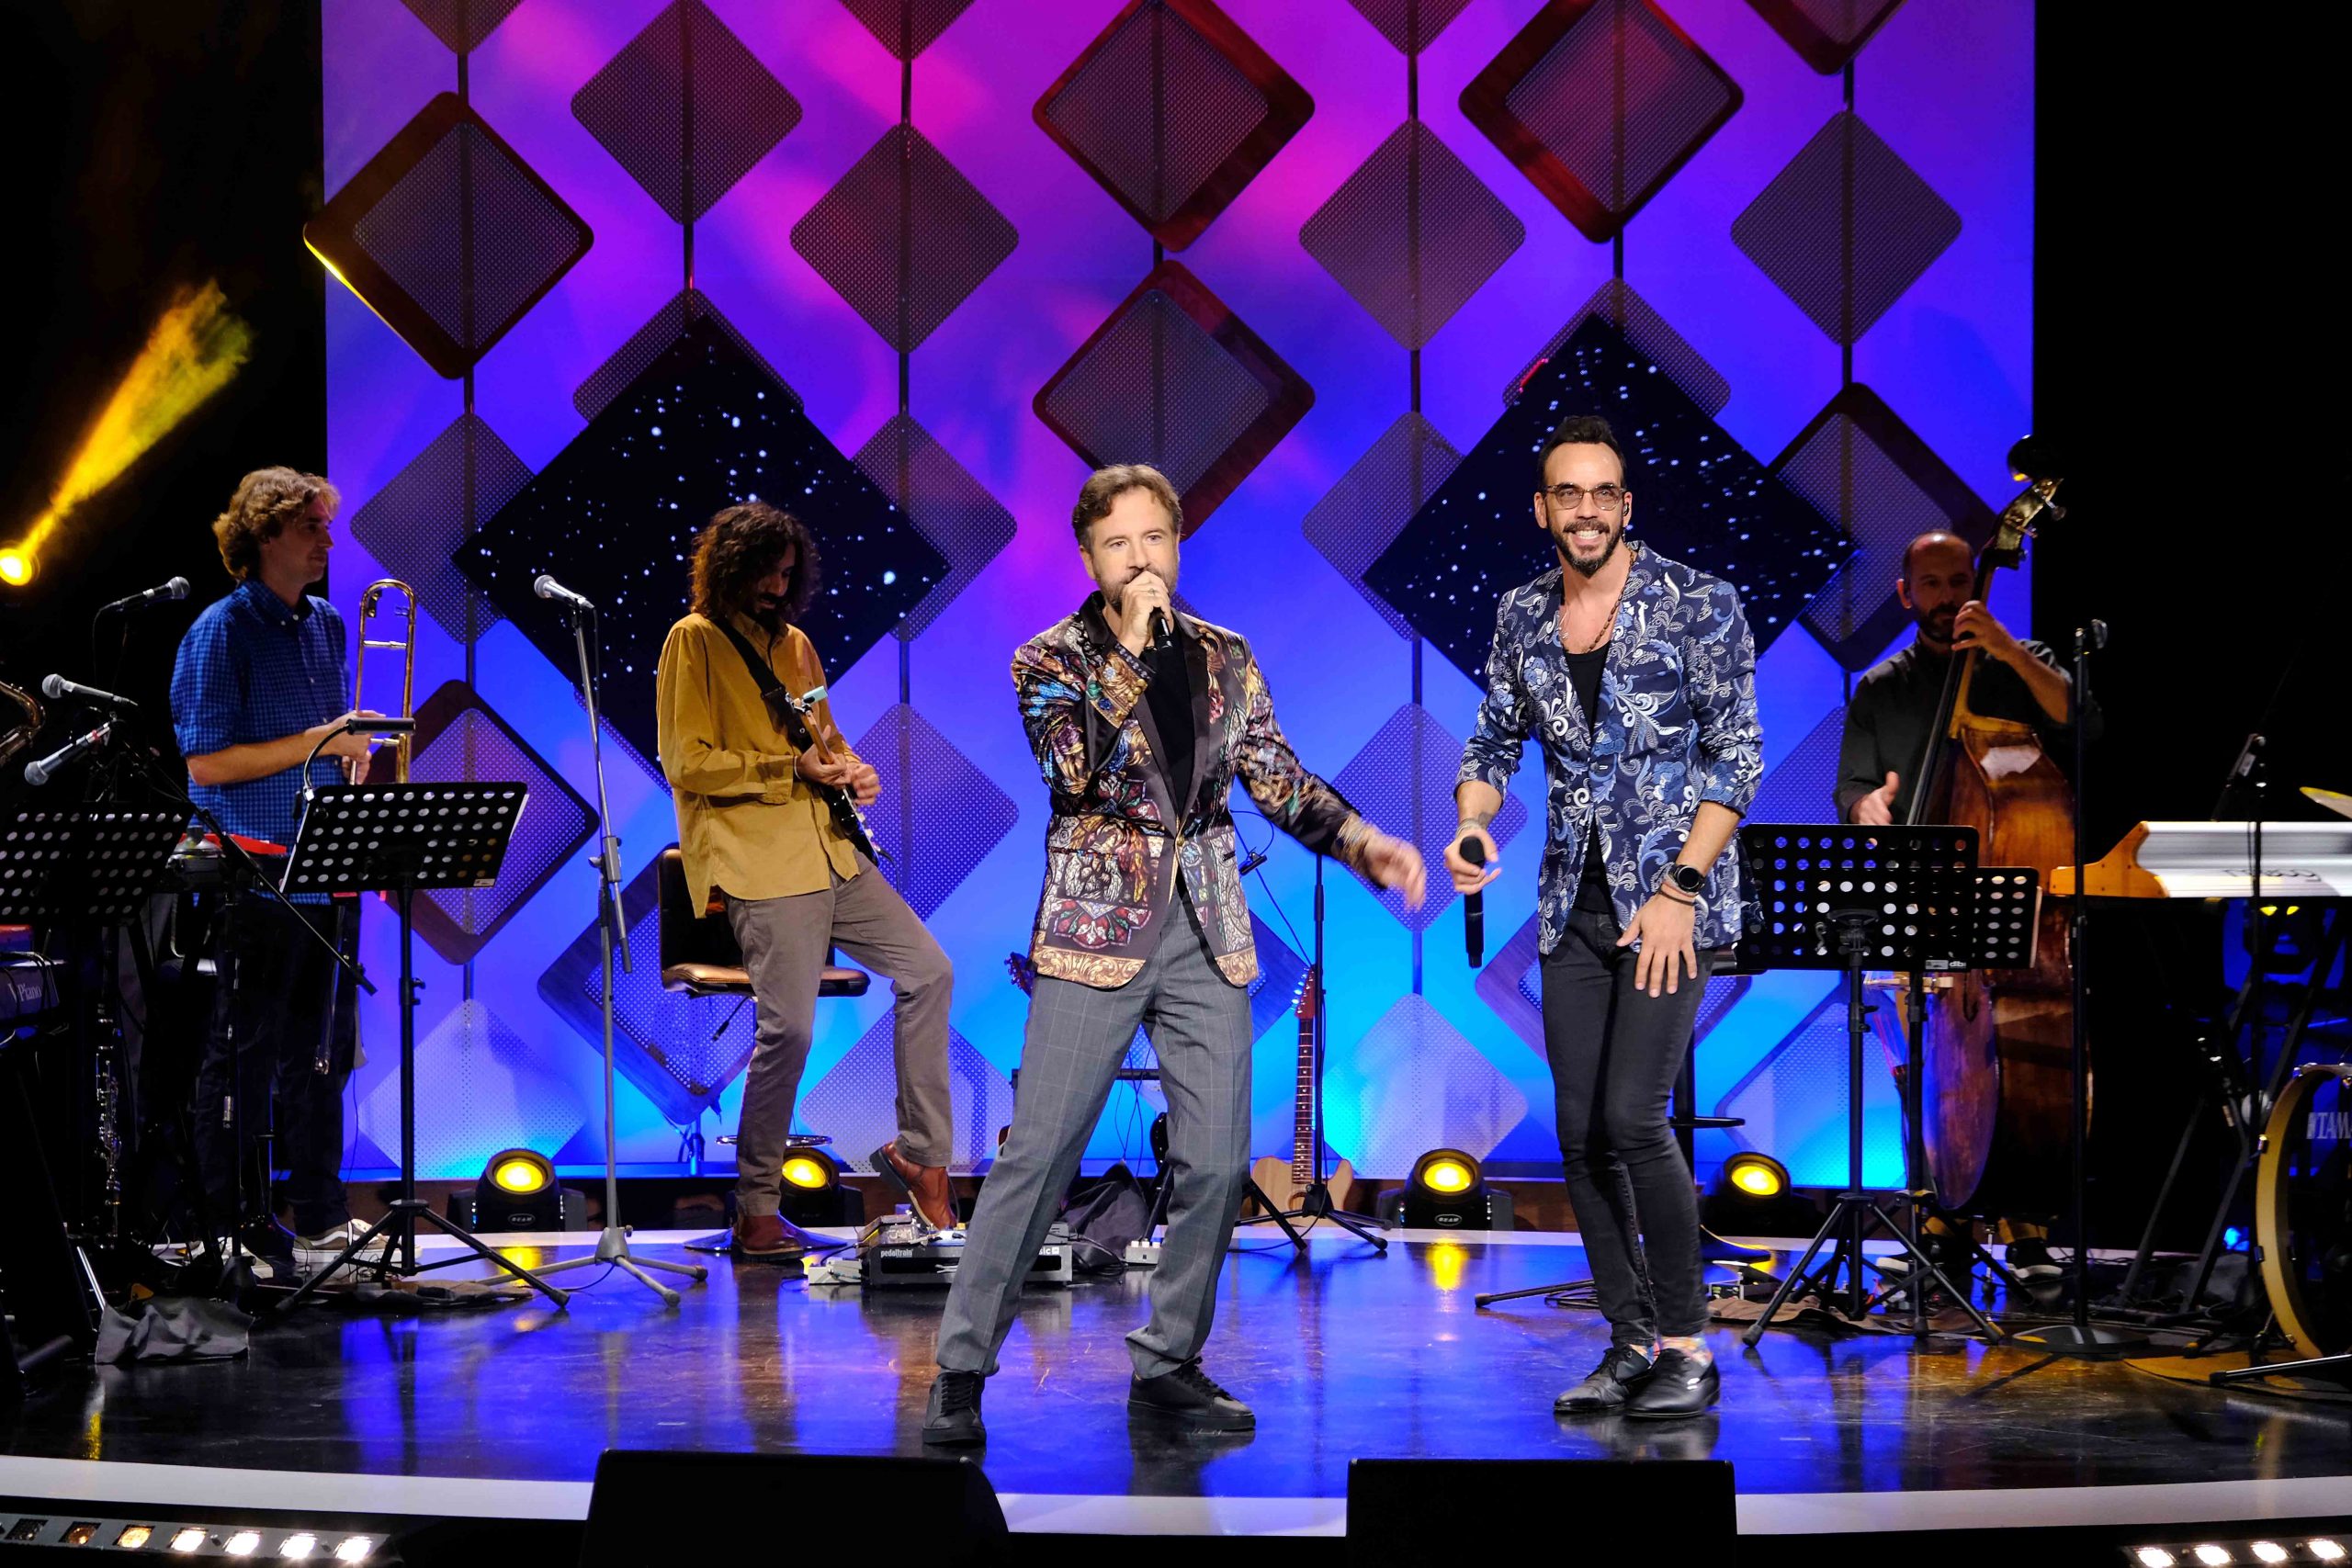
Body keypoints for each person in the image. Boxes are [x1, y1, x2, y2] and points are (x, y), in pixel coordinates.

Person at [923, 464, 1426, 1446]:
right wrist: (1133, 649)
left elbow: (1275, 776)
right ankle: (961, 1368)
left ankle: (1167, 1362)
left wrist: (1363, 841)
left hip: (1207, 929)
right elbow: (1074, 773)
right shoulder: (1048, 659)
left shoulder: (1224, 656)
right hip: (1095, 933)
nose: (1140, 559)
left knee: (1217, 1161)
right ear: (1088, 559)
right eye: (1118, 544)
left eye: (1154, 538)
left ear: (1178, 544)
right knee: (1039, 1154)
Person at [1448, 414, 1762, 1420]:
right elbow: (1493, 743)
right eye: (1566, 494)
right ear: (1541, 509)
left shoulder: (1698, 603)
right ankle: (1630, 1342)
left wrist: (1681, 890)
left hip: (1670, 903)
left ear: (1625, 505)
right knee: (1581, 1132)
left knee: (1633, 1118)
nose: (1585, 510)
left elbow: (1737, 758)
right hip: (1569, 907)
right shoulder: (1521, 613)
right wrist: (1472, 824)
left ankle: (1688, 1346)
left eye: (1601, 494)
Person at [655, 502, 956, 1258]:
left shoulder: (797, 646)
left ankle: (921, 1153)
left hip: (833, 851)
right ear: (731, 567)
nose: (777, 587)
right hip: (760, 861)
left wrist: (852, 768)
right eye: (766, 573)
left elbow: (825, 738)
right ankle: (757, 1208)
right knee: (788, 1030)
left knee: (929, 970)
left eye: (788, 575)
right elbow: (687, 762)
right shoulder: (693, 640)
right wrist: (787, 768)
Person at [1835, 528, 2081, 1283]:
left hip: (2014, 912)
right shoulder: (1882, 687)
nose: (1948, 598)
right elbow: (1851, 787)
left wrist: (2007, 648)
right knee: (1922, 1067)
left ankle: (2027, 1226)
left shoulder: (2022, 661)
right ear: (1907, 595)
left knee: (2023, 1065)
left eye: (1959, 581)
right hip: (1923, 902)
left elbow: (2081, 719)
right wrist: (1866, 806)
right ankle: (1940, 1222)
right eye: (1932, 585)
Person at [170, 467, 370, 1264]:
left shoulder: (326, 623)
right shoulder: (222, 630)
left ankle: (319, 1215)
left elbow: (319, 746)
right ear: (266, 535)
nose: (327, 542)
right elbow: (206, 763)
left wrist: (348, 758)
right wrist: (322, 741)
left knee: (321, 1056)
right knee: (240, 1058)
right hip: (249, 869)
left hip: (323, 863)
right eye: (312, 527)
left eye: (327, 526)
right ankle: (224, 1225)